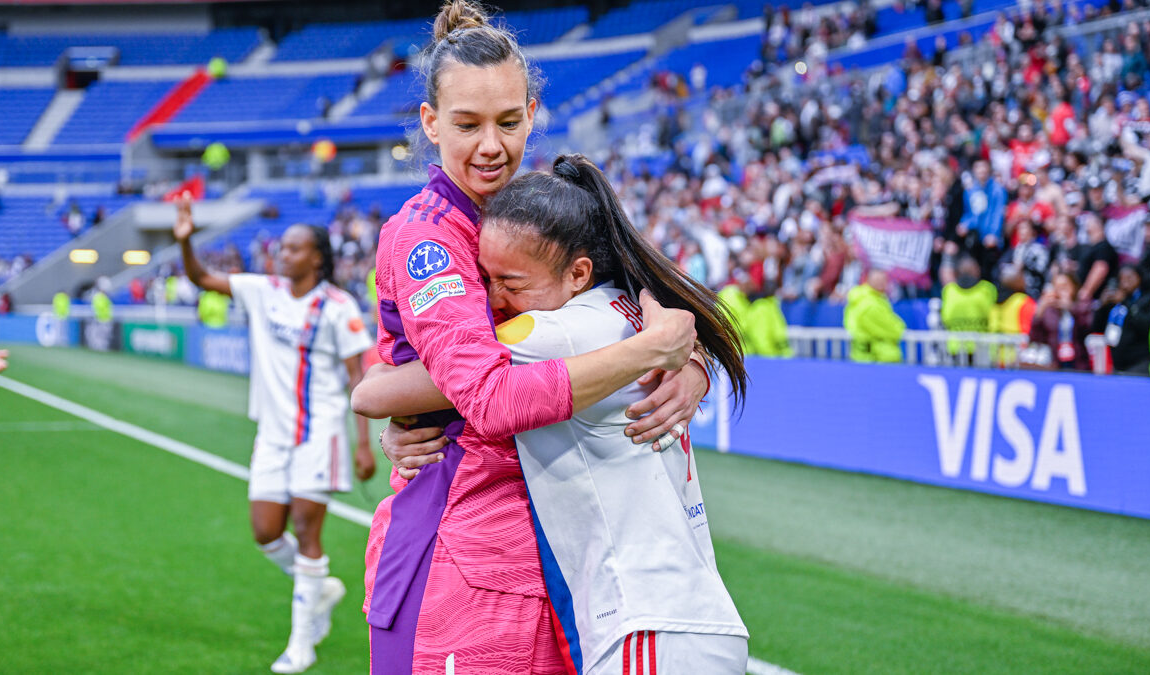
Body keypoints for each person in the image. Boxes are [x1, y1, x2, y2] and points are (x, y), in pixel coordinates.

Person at [353, 4, 707, 673]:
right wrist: (648, 351)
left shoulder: (541, 210)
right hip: (458, 549)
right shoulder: (428, 235)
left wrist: (689, 358)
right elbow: (486, 395)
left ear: (533, 113)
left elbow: (635, 284)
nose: (491, 144)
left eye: (509, 122)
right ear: (430, 124)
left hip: (552, 546)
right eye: (467, 124)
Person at [359, 155, 750, 673]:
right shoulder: (627, 305)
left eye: (511, 283)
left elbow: (384, 392)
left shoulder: (552, 333)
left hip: (644, 623)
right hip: (684, 613)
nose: (494, 298)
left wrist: (389, 401)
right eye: (486, 278)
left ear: (577, 273)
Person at [174, 196, 376, 674]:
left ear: (316, 258)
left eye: (292, 248)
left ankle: (301, 643)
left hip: (319, 432)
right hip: (272, 433)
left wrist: (363, 440)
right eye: (281, 247)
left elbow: (358, 376)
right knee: (266, 532)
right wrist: (185, 242)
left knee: (307, 529)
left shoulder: (337, 306)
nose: (281, 254)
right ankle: (320, 587)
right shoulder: (262, 290)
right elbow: (202, 278)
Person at [1092, 264, 1150, 374]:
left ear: (1139, 278)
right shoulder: (1115, 303)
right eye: (1122, 278)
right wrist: (1102, 306)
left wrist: (1126, 303)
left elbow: (1145, 326)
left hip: (1139, 362)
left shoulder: (1148, 299)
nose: (1125, 282)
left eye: (1130, 277)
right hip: (1116, 363)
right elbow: (1096, 328)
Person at [1029, 272, 1094, 371]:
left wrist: (1071, 308)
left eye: (1064, 287)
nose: (1061, 291)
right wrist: (1039, 312)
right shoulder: (1049, 310)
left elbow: (1088, 328)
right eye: (1057, 287)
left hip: (1079, 364)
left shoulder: (1083, 306)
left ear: (1074, 287)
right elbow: (1035, 338)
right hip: (1055, 363)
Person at [941, 256, 997, 361]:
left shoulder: (949, 290)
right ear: (977, 270)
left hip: (956, 348)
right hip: (982, 348)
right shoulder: (987, 289)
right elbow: (994, 317)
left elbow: (945, 318)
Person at [844, 268, 905, 363]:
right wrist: (899, 326)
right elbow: (894, 330)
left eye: (884, 280)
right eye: (878, 280)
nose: (882, 284)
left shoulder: (874, 299)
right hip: (876, 359)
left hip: (870, 358)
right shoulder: (869, 303)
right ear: (868, 281)